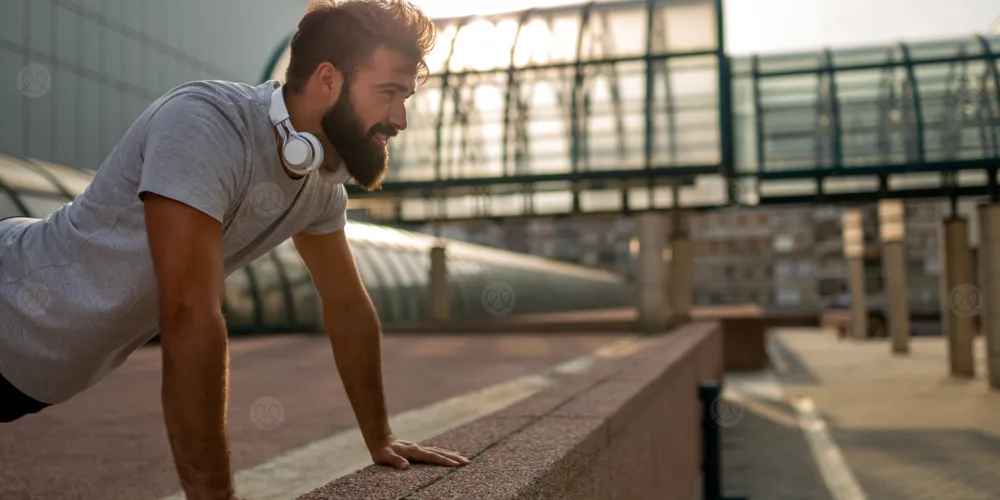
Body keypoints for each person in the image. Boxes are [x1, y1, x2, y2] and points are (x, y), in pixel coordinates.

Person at [0, 0, 470, 498]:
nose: (399, 119)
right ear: (328, 79)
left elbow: (348, 308)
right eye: (389, 93)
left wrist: (380, 436)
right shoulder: (205, 124)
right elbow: (189, 315)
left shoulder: (320, 186)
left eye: (406, 98)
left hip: (33, 373)